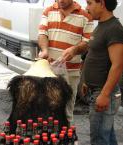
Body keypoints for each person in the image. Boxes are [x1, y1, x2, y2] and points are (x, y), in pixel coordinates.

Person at [38, 0, 94, 124]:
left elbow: (87, 43)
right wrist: (45, 50)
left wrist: (75, 49)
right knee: (46, 109)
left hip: (71, 73)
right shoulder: (48, 11)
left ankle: (65, 138)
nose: (60, 1)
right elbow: (42, 34)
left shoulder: (85, 15)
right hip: (49, 71)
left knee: (66, 112)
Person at [81, 0, 123, 144]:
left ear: (102, 4)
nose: (86, 7)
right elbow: (96, 55)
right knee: (107, 137)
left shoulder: (114, 28)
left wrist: (104, 94)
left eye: (90, 3)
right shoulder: (101, 25)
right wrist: (87, 82)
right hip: (97, 90)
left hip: (105, 93)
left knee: (99, 139)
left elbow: (118, 65)